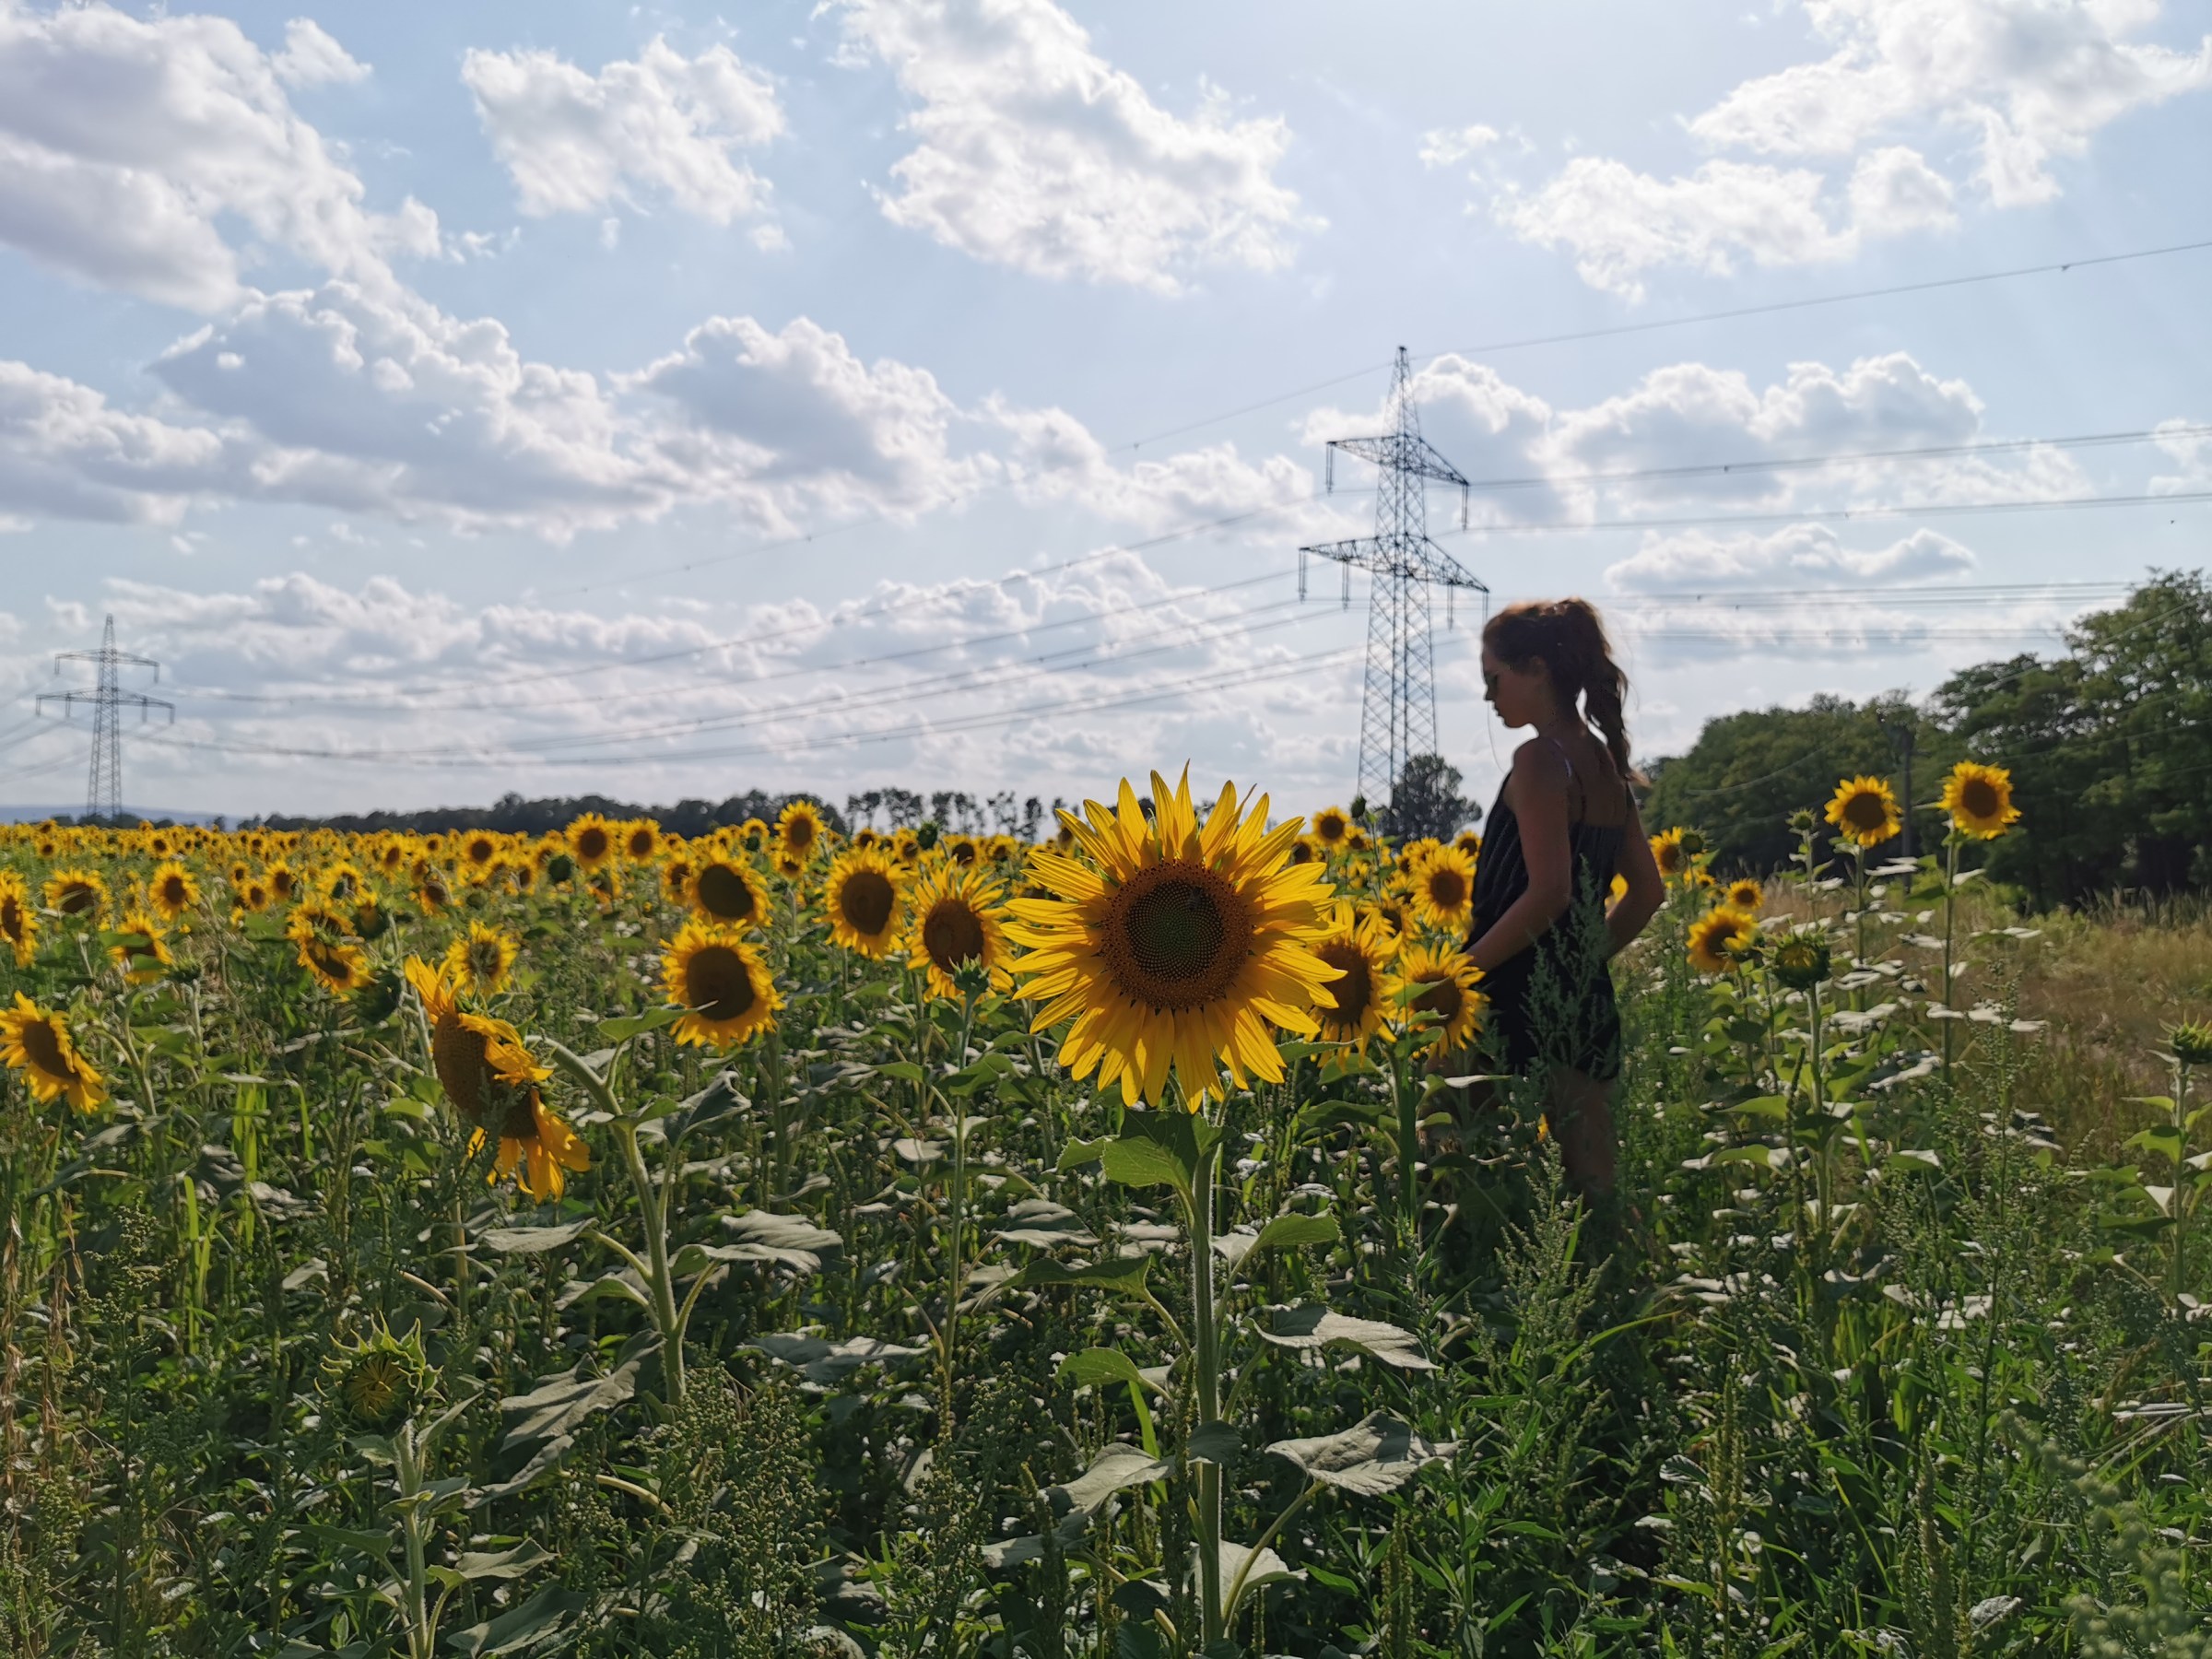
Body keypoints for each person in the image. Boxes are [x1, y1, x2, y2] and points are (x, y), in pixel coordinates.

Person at [1461, 598, 1664, 1195]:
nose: (1489, 697)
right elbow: (1647, 892)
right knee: (1594, 1181)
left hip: (1504, 991)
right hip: (1580, 996)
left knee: (1459, 1163)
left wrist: (1460, 975)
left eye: (1494, 679)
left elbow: (1549, 891)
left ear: (1536, 670)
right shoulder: (1603, 762)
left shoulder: (1540, 760)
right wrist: (1581, 960)